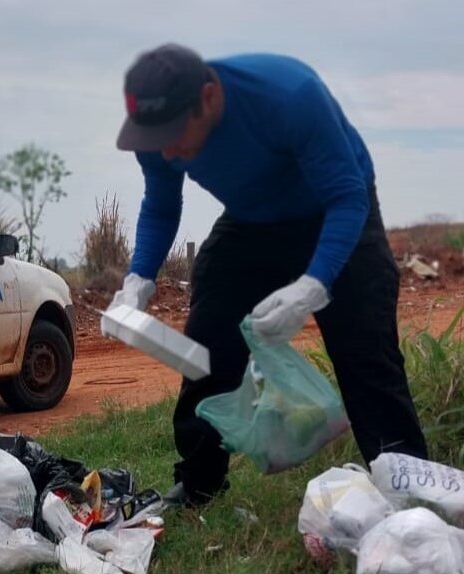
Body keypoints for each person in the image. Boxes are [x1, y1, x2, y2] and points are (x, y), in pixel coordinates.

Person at [107, 43, 428, 505]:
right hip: (252, 219)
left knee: (365, 350)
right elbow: (160, 205)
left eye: (176, 132)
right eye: (156, 136)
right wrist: (140, 278)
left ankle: (409, 482)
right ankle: (200, 481)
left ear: (209, 97)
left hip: (334, 210)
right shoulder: (156, 136)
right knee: (205, 345)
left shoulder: (289, 96)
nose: (168, 149)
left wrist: (312, 286)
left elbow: (347, 197)